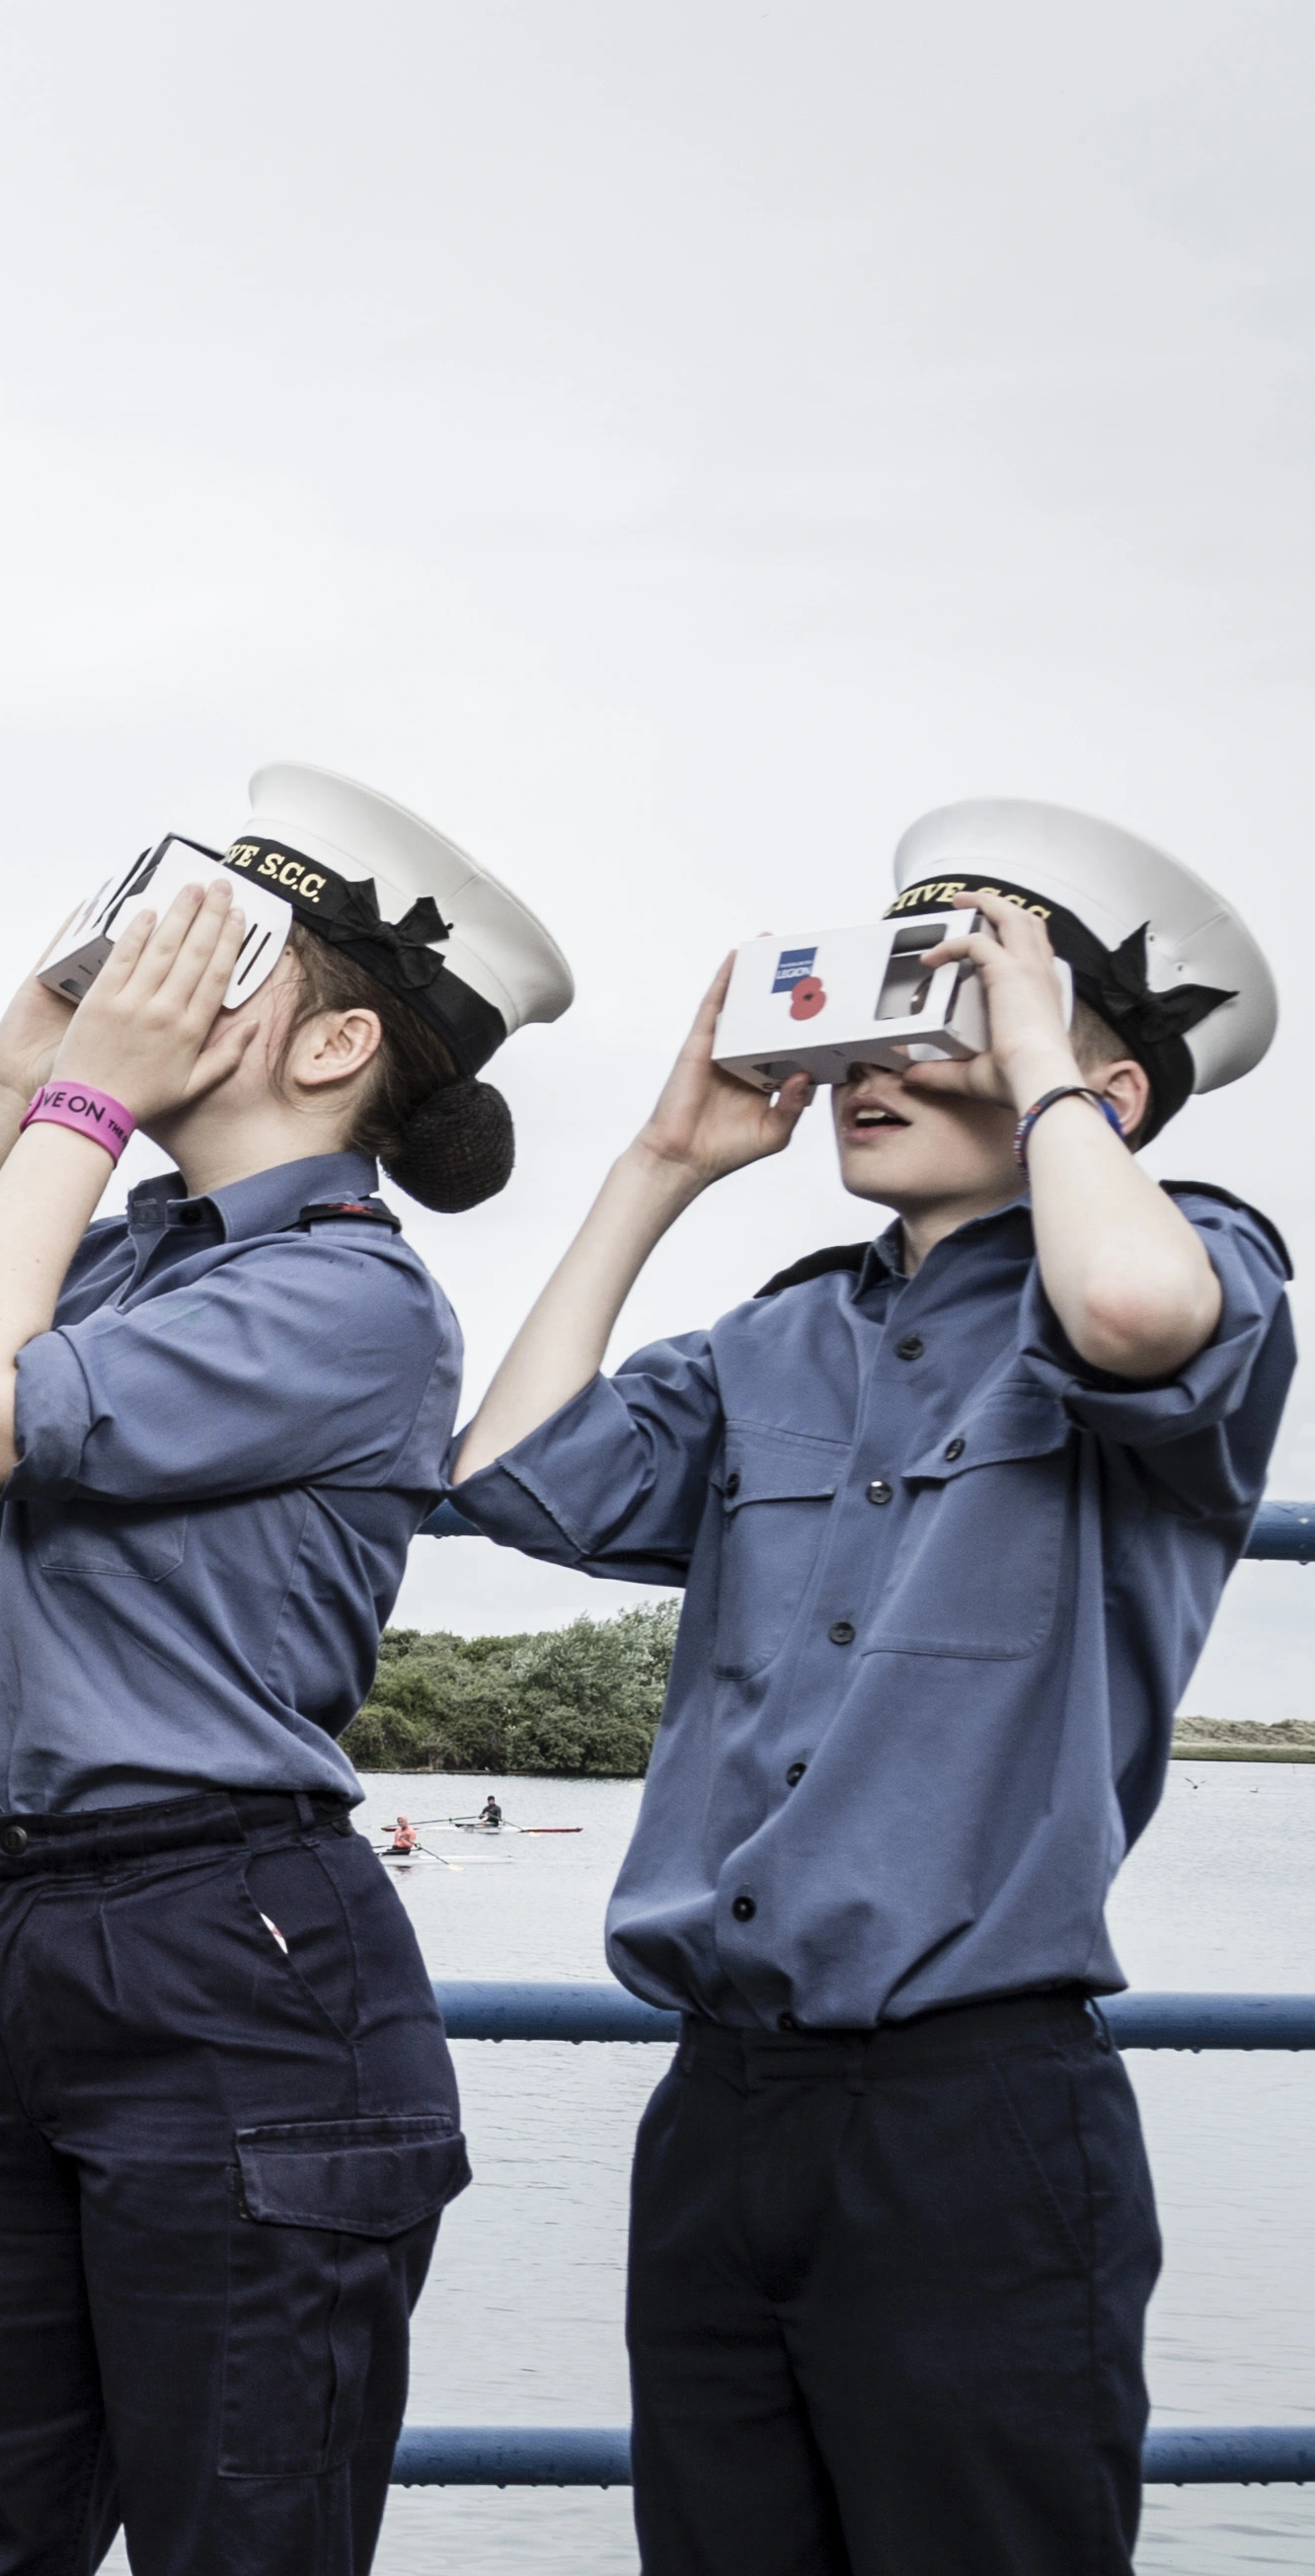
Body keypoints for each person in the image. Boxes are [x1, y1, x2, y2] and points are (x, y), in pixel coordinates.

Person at [447, 799, 1289, 2574]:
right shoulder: (778, 1334)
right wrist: (662, 1165)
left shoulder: (1198, 1263)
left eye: (945, 1013)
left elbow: (1134, 1316)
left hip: (970, 2114)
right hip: (719, 2106)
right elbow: (511, 1470)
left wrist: (1049, 1055)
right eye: (866, 1024)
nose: (868, 1071)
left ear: (1099, 1081)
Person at [0, 763, 574, 2576]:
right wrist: (8, 1087)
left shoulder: (347, 1298)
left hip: (229, 1949)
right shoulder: (117, 1257)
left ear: (335, 1039)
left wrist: (85, 1096)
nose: (165, 969)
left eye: (232, 955)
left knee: (242, 2530)